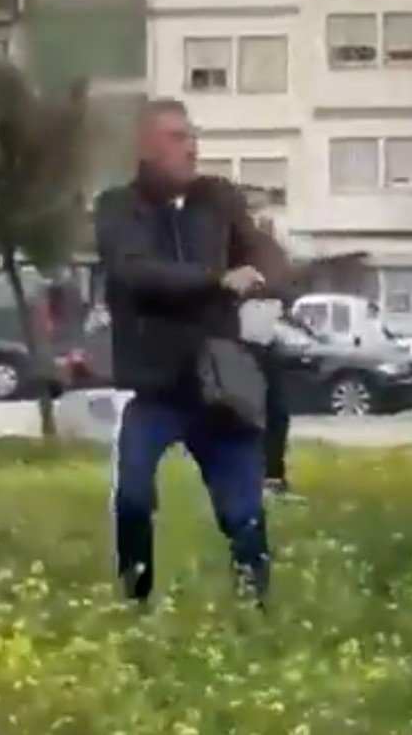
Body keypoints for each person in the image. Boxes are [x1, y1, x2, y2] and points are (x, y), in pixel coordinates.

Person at [95, 98, 290, 607]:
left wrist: (266, 274)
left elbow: (261, 249)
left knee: (244, 511)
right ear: (147, 146)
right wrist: (217, 281)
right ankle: (134, 599)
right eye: (177, 137)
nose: (191, 147)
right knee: (133, 496)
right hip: (157, 385)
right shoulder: (119, 207)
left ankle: (258, 606)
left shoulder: (218, 199)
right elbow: (135, 270)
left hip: (219, 384)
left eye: (192, 135)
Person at [239, 297, 306, 503]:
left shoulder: (270, 289)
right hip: (244, 347)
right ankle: (246, 480)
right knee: (248, 415)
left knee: (278, 414)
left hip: (268, 347)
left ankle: (273, 478)